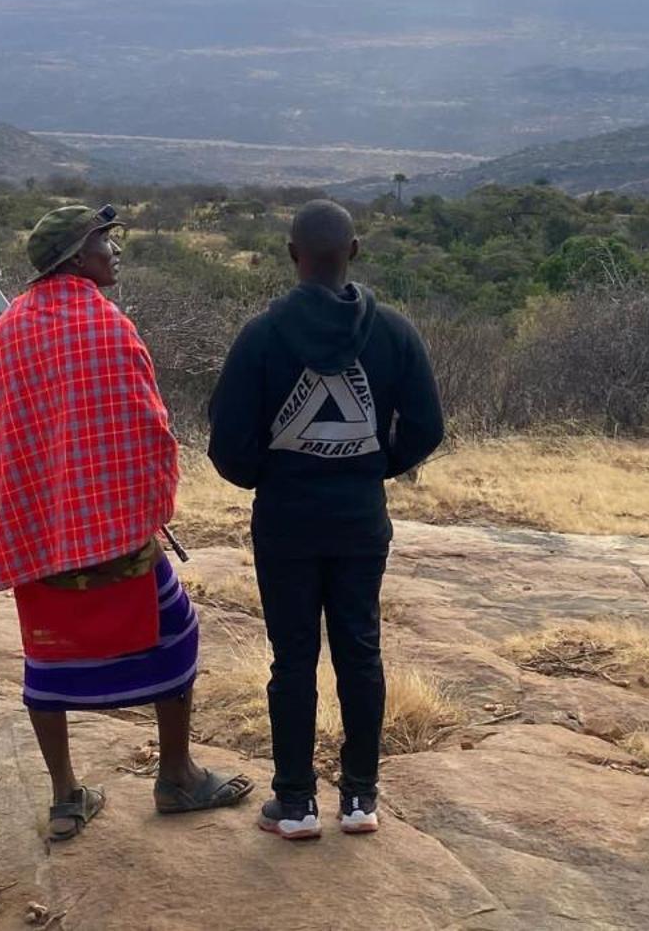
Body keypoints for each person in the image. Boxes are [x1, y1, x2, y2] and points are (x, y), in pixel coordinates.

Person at [0, 203, 250, 843]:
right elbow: (147, 426)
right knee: (176, 633)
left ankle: (66, 796)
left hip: (37, 532)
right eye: (104, 240)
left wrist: (32, 503)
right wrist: (147, 505)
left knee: (47, 655)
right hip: (113, 531)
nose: (115, 250)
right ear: (75, 257)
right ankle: (175, 774)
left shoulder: (5, 328)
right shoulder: (106, 324)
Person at [206, 199, 445, 842]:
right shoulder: (394, 333)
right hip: (360, 519)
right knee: (361, 652)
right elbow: (427, 427)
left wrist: (273, 473)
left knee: (292, 660)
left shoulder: (261, 336)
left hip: (285, 520)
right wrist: (372, 464)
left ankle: (295, 804)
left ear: (292, 255)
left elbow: (227, 442)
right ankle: (361, 799)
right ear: (354, 251)